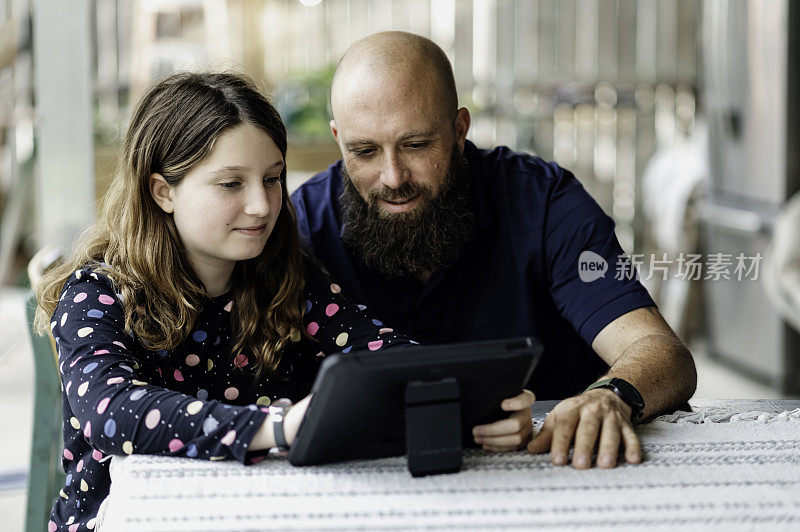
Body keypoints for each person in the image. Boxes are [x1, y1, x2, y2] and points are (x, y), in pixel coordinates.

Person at [33, 72, 535, 530]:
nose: (262, 205)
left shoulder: (285, 278)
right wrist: (276, 427)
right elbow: (110, 409)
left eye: (273, 179)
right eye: (231, 183)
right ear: (163, 191)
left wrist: (474, 404)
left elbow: (379, 352)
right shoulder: (98, 293)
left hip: (258, 513)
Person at [291, 32, 697, 469]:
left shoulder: (544, 205)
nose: (393, 176)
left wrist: (609, 396)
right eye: (365, 151)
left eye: (416, 145)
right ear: (338, 139)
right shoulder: (303, 226)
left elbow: (662, 353)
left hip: (555, 473)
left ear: (459, 130)